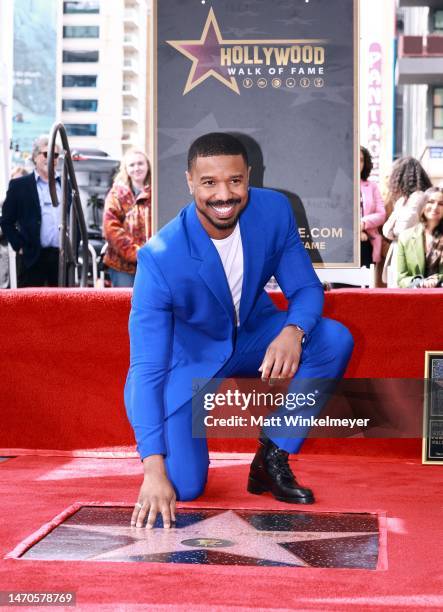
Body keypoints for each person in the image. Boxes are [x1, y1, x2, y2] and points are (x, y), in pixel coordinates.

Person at [125, 133, 354, 529]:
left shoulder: (274, 211)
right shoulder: (160, 258)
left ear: (248, 176)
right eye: (209, 183)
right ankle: (175, 461)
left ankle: (273, 454)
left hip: (253, 335)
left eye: (234, 180)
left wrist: (293, 331)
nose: (224, 194)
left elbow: (304, 289)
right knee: (185, 486)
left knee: (332, 339)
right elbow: (144, 369)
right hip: (193, 358)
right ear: (190, 182)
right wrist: (152, 470)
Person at [0, 136, 62, 287]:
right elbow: (6, 221)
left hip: (60, 259)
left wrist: (72, 247)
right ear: (35, 157)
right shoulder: (19, 185)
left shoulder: (65, 184)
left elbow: (75, 218)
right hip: (32, 257)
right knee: (30, 308)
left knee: (59, 308)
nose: (52, 159)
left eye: (55, 155)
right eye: (46, 154)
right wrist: (19, 246)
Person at [103, 147, 151, 287]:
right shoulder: (116, 195)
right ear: (126, 169)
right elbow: (111, 229)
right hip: (122, 267)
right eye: (132, 165)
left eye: (140, 163)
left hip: (153, 264)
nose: (137, 168)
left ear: (148, 165)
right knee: (125, 306)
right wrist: (136, 253)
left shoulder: (157, 193)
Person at [382, 156, 432, 287]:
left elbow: (401, 230)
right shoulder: (402, 200)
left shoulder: (418, 197)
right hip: (400, 250)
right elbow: (386, 229)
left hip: (411, 253)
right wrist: (393, 230)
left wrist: (393, 230)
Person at [397, 187, 443, 288]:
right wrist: (420, 282)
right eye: (430, 202)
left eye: (440, 204)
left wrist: (437, 280)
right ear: (422, 205)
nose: (435, 207)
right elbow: (401, 279)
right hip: (416, 297)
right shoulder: (405, 237)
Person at [360, 146, 386, 268]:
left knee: (363, 285)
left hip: (367, 243)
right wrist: (354, 232)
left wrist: (363, 223)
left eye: (361, 160)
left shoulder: (371, 186)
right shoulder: (338, 184)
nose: (358, 163)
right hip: (343, 242)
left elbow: (381, 215)